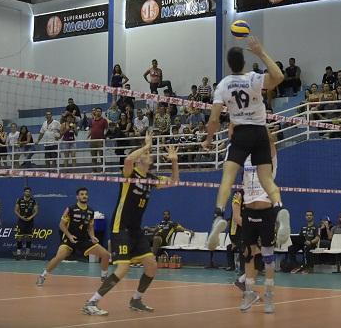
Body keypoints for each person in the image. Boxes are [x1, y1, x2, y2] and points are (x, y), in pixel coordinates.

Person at [201, 36, 284, 251]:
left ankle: (219, 215)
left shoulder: (223, 85)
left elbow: (213, 120)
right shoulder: (253, 79)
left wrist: (209, 140)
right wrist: (261, 52)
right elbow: (279, 76)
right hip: (260, 132)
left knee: (227, 178)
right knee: (267, 179)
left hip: (241, 133)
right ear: (243, 63)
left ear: (229, 64)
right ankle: (279, 208)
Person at [82, 133, 179, 315]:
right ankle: (91, 302)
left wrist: (174, 162)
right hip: (121, 228)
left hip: (136, 230)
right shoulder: (130, 174)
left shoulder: (151, 179)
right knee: (124, 267)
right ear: (140, 159)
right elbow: (127, 159)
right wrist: (146, 146)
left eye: (149, 154)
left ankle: (136, 300)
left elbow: (175, 181)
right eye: (146, 154)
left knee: (151, 265)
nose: (149, 155)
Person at [231, 133, 289, 313]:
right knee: (248, 255)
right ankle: (249, 293)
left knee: (268, 257)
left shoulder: (269, 161)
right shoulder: (246, 160)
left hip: (266, 212)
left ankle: (269, 297)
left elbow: (271, 141)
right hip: (248, 211)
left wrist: (257, 124)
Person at [37, 188, 111, 286]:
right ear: (77, 197)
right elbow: (61, 225)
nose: (84, 196)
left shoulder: (90, 211)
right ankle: (42, 276)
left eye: (86, 194)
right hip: (69, 240)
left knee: (105, 254)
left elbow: (90, 226)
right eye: (82, 194)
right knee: (59, 257)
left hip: (83, 240)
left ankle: (104, 277)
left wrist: (92, 236)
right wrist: (69, 236)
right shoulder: (70, 209)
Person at [14, 187, 38, 260]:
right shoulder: (19, 200)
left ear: (30, 193)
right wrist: (21, 217)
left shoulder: (33, 201)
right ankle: (18, 254)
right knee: (19, 237)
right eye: (26, 191)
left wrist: (30, 217)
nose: (28, 193)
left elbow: (36, 211)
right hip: (21, 221)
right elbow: (15, 210)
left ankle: (27, 255)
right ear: (24, 192)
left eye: (29, 191)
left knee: (29, 238)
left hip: (30, 222)